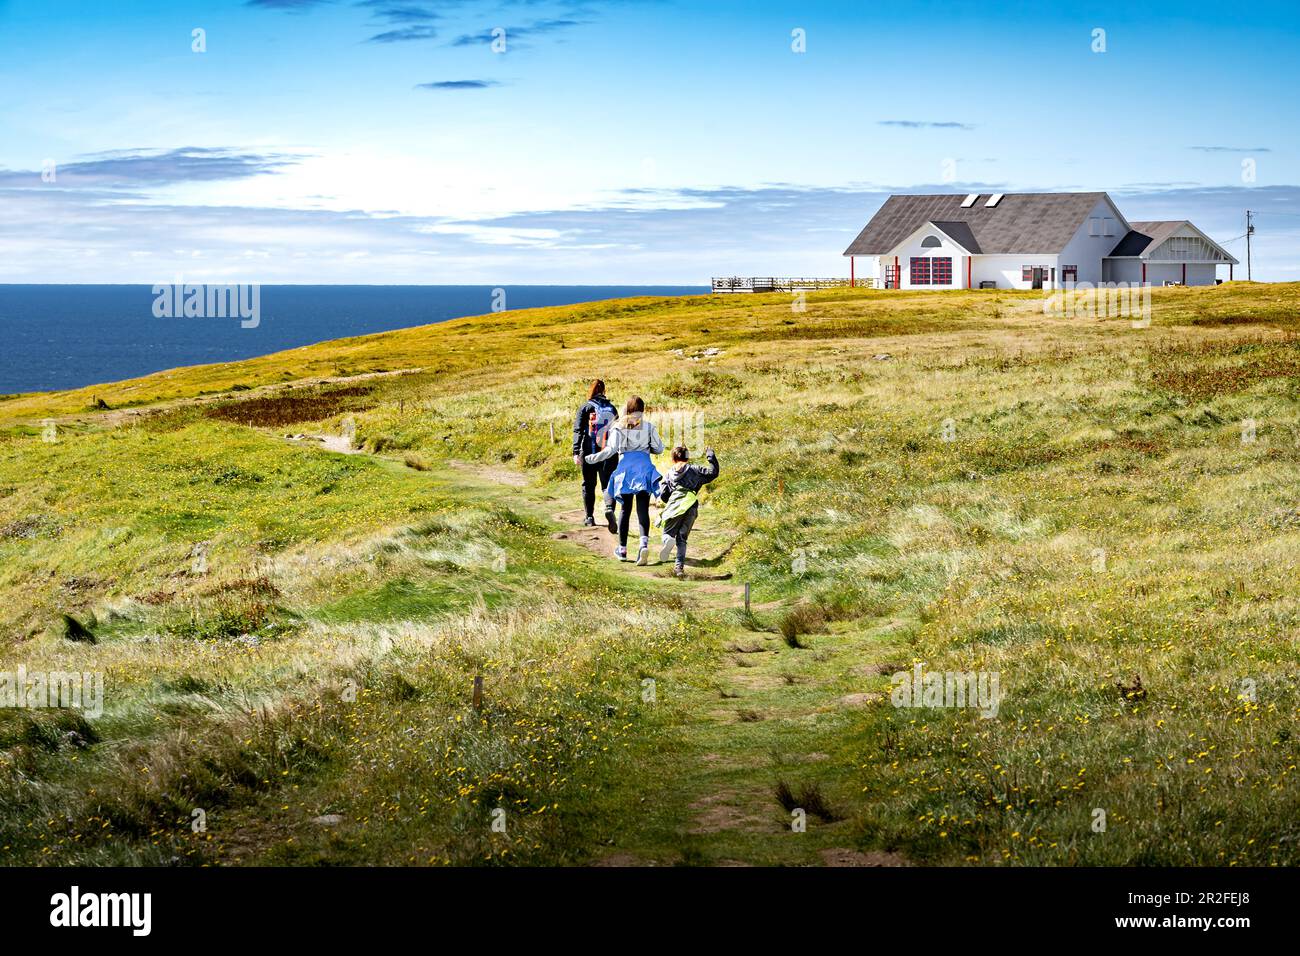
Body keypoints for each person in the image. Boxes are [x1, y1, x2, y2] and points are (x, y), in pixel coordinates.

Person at [585, 395, 663, 564]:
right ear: (642, 410)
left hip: (625, 470)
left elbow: (610, 451)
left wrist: (593, 458)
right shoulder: (649, 427)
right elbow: (659, 448)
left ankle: (622, 550)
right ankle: (643, 545)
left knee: (624, 510)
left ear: (626, 409)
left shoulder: (618, 427)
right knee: (643, 508)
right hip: (644, 468)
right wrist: (647, 448)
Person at [657, 445, 719, 577]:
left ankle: (668, 540)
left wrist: (669, 501)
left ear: (673, 458)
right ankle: (679, 568)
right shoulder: (695, 469)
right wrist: (710, 455)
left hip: (676, 505)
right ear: (687, 457)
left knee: (667, 533)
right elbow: (713, 473)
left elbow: (663, 494)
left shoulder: (669, 473)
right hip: (690, 505)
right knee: (682, 538)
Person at [572, 379, 619, 529]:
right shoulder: (612, 408)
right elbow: (618, 431)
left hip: (588, 451)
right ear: (604, 391)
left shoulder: (585, 407)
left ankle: (589, 517)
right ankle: (609, 508)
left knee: (589, 484)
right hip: (609, 453)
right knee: (608, 484)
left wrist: (575, 452)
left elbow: (578, 431)